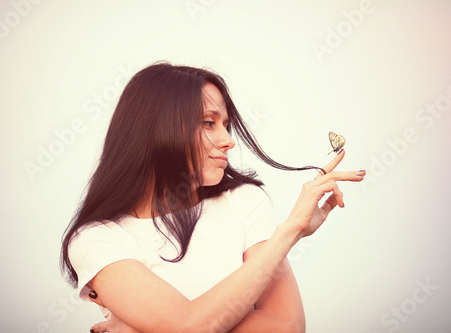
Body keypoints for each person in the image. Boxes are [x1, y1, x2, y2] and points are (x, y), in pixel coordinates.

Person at [60, 62, 366, 333]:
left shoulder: (243, 201)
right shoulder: (95, 239)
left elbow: (285, 327)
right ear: (155, 129)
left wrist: (144, 325)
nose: (229, 141)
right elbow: (188, 327)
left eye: (226, 125)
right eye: (209, 122)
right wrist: (182, 323)